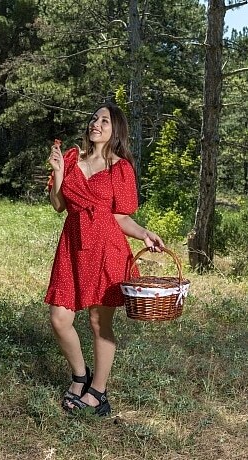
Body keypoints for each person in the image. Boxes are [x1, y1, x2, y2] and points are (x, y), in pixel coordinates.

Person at [45, 102, 164, 416]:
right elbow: (59, 205)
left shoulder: (119, 168)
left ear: (116, 130)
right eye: (94, 118)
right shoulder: (73, 159)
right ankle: (79, 375)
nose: (96, 123)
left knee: (99, 323)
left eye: (105, 120)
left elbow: (121, 217)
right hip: (73, 245)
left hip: (106, 248)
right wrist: (58, 173)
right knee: (60, 319)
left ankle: (98, 392)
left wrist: (144, 234)